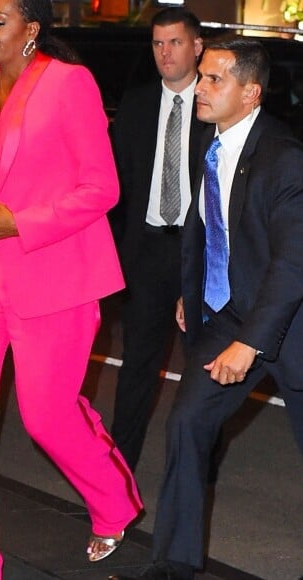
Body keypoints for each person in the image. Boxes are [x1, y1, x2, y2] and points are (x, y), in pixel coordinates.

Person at [0, 0, 142, 577]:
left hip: (53, 274)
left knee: (45, 416)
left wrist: (24, 222)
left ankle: (113, 502)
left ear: (32, 29)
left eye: (0, 20)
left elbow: (102, 187)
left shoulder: (70, 84)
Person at [115, 39, 303, 580]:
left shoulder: (285, 160)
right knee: (188, 423)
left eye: (215, 79)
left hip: (287, 322)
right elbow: (213, 231)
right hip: (230, 312)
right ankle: (175, 561)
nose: (200, 87)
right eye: (202, 77)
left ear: (251, 93)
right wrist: (192, 292)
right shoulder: (212, 146)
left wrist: (249, 344)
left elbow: (292, 266)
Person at [109, 7, 206, 472]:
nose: (165, 53)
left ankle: (194, 468)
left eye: (175, 43)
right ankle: (117, 474)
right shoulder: (136, 104)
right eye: (157, 44)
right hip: (145, 249)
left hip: (199, 255)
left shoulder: (214, 106)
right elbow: (114, 186)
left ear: (197, 47)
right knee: (137, 367)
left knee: (203, 367)